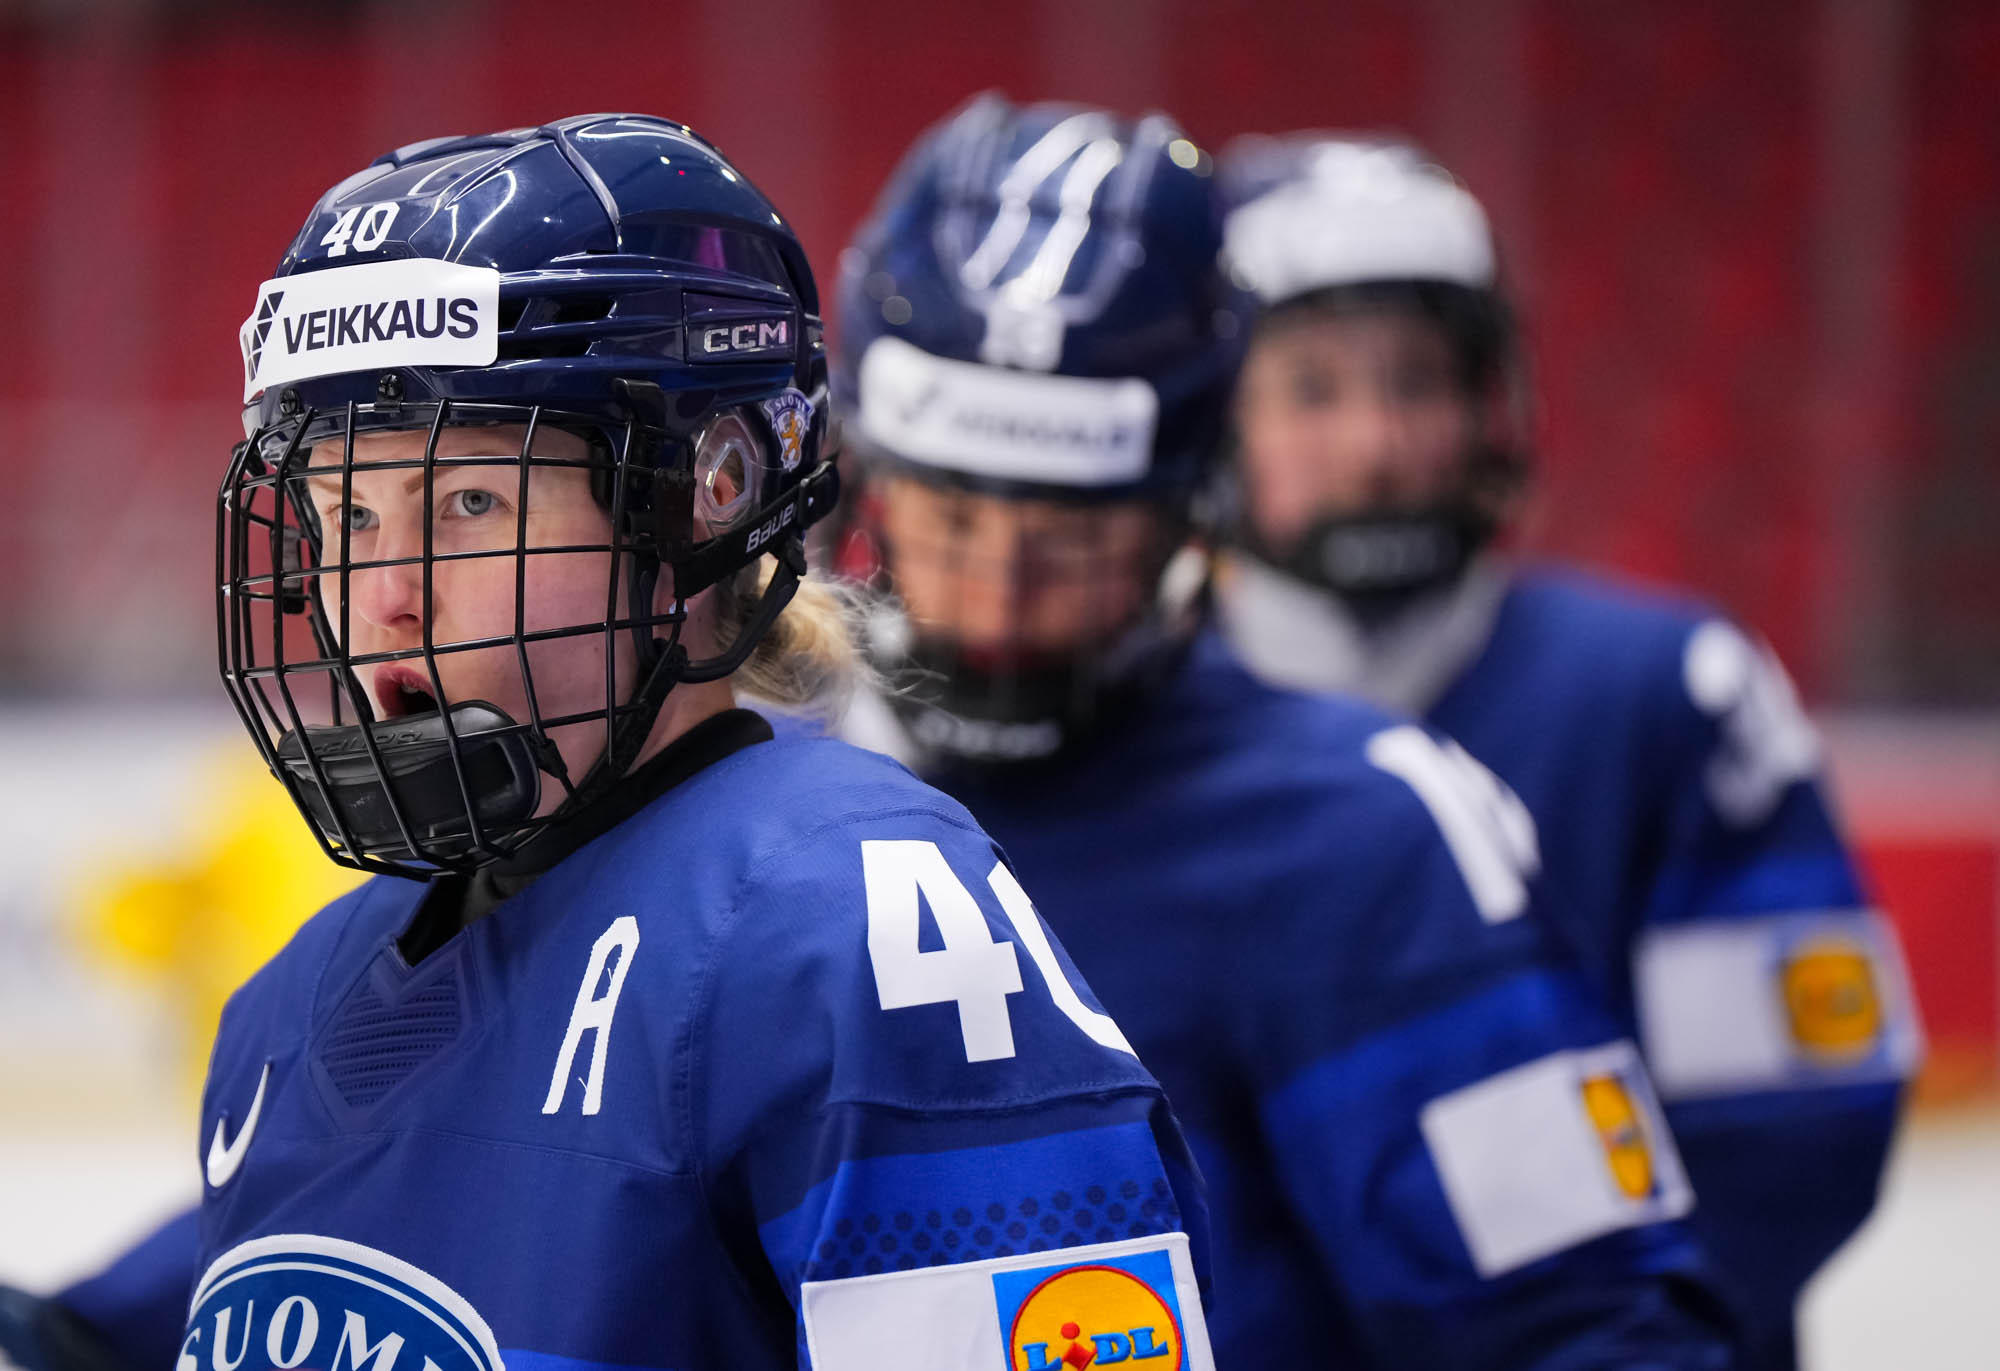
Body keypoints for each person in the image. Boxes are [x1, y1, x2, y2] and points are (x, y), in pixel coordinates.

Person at [0, 114, 1215, 1371]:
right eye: (345, 515)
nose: (383, 598)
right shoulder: (292, 1005)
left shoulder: (860, 927)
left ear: (706, 498)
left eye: (469, 502)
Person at [832, 94, 1740, 1369]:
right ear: (860, 478)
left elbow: (1584, 1330)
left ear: (1192, 505)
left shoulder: (1365, 836)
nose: (1000, 600)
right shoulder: (739, 795)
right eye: (953, 522)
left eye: (1072, 536)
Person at [1213, 133, 1922, 1370]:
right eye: (1312, 390)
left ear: (1488, 401)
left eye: (1418, 383)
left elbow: (1784, 1130)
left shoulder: (1663, 695)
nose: (1375, 443)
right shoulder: (1129, 729)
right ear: (1210, 422)